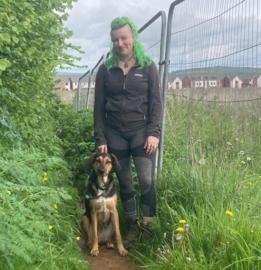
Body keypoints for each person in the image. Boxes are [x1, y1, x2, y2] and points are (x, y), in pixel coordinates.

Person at [93, 16, 162, 242]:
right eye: (115, 39)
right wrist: (101, 138)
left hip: (142, 133)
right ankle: (131, 225)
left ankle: (149, 225)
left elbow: (156, 103)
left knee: (146, 180)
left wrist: (154, 133)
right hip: (115, 134)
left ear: (133, 37)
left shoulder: (148, 67)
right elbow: (98, 108)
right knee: (124, 181)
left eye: (124, 38)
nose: (119, 43)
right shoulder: (105, 70)